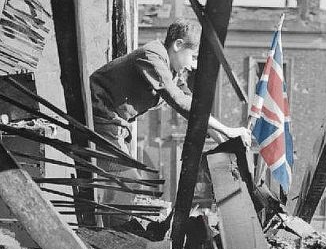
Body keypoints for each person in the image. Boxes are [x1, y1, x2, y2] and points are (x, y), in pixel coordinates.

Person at [90, 18, 250, 226]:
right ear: (178, 45)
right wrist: (228, 130)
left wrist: (216, 135)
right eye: (192, 57)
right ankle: (115, 238)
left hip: (115, 122)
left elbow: (191, 103)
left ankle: (115, 231)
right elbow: (178, 101)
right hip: (99, 111)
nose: (193, 66)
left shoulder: (174, 71)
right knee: (127, 181)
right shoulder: (152, 55)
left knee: (118, 183)